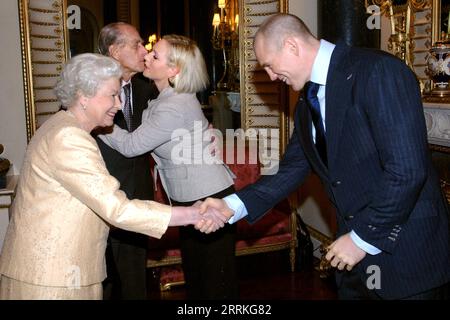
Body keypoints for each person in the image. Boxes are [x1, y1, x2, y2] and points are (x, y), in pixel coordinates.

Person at [199, 13, 450, 300]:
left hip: (407, 254)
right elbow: (292, 169)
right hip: (352, 256)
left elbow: (408, 170)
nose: (270, 76)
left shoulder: (378, 71)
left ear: (292, 46)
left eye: (269, 65)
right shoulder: (306, 104)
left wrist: (362, 239)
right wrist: (232, 205)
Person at [0, 53, 223, 300]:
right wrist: (194, 213)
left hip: (51, 273)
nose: (118, 104)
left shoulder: (62, 126)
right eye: (112, 95)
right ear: (84, 96)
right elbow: (117, 209)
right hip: (52, 280)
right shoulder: (69, 138)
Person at [99, 34, 239, 300]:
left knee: (215, 283)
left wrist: (95, 120)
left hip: (208, 197)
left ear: (174, 70)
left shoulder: (175, 104)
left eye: (155, 55)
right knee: (198, 279)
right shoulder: (164, 96)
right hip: (189, 198)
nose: (147, 56)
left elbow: (131, 146)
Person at [95, 22, 159, 300]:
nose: (144, 50)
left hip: (139, 196)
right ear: (115, 51)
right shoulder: (88, 89)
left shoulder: (149, 88)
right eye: (136, 44)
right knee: (102, 279)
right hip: (100, 198)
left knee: (135, 280)